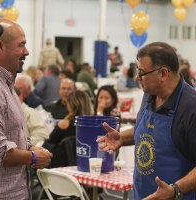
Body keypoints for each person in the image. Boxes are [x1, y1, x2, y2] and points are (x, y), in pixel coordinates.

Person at [97, 42, 196, 200]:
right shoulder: (150, 94)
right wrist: (123, 137)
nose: (137, 77)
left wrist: (175, 190)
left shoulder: (190, 108)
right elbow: (148, 131)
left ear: (163, 74)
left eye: (142, 72)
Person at [0, 18, 52, 199]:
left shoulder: (8, 86)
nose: (26, 52)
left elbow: (14, 134)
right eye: (21, 45)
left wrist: (32, 147)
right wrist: (33, 157)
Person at [43, 90, 93, 166]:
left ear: (71, 105)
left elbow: (49, 142)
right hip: (87, 163)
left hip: (64, 165)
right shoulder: (93, 124)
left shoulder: (65, 123)